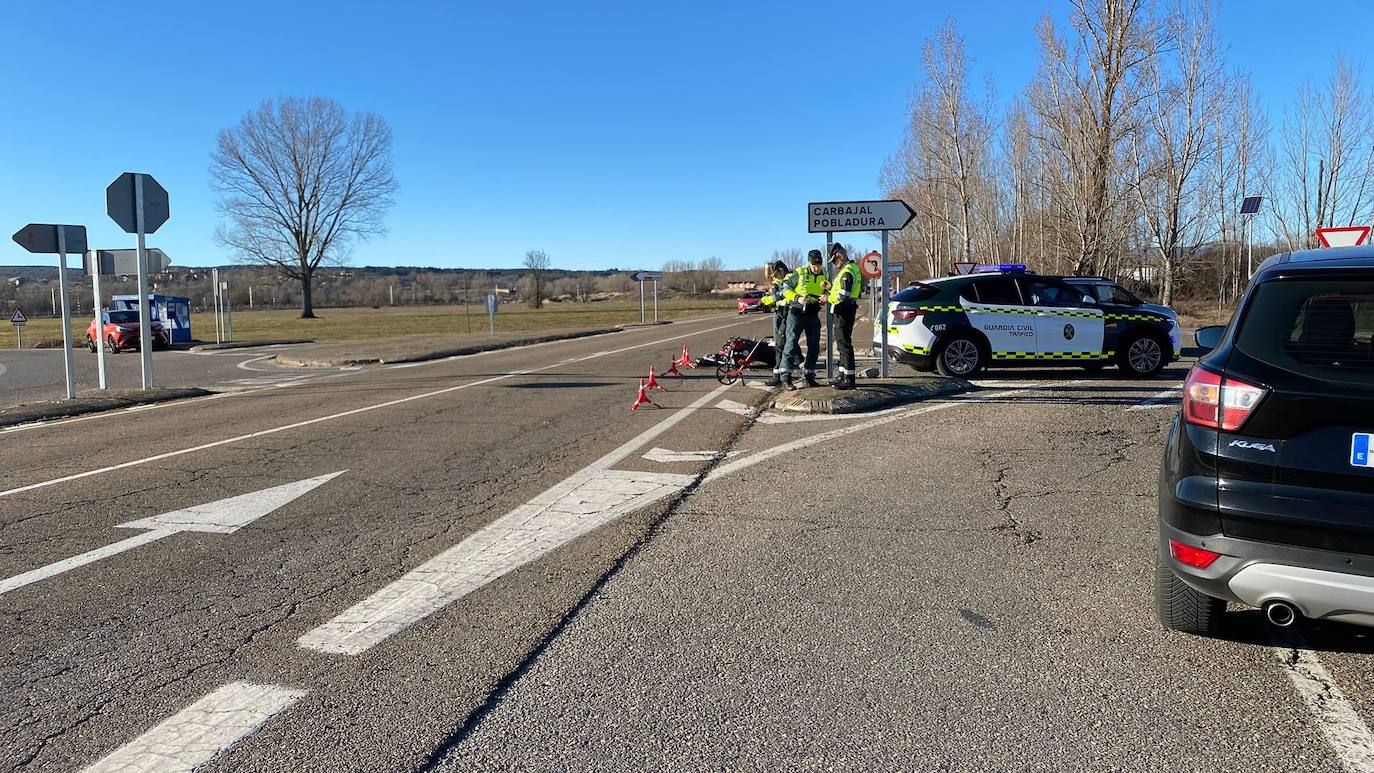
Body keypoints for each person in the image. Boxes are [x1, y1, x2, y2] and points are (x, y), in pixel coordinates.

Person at [779, 250, 828, 389]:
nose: (816, 268)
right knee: (791, 343)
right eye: (813, 266)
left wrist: (824, 298)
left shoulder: (825, 273)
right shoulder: (800, 273)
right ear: (809, 262)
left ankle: (808, 375)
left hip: (813, 314)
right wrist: (797, 298)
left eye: (818, 265)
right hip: (796, 313)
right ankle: (785, 378)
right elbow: (785, 289)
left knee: (814, 346)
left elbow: (827, 290)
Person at [827, 244, 863, 390]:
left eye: (834, 261)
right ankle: (842, 375)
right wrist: (829, 288)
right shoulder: (851, 268)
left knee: (844, 344)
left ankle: (849, 378)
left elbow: (843, 296)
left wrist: (827, 298)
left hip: (843, 310)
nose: (834, 264)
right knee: (842, 344)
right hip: (846, 309)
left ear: (839, 256)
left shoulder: (846, 272)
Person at [758, 260, 791, 387]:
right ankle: (804, 371)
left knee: (782, 346)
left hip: (784, 314)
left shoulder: (787, 281)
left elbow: (779, 297)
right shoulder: (779, 281)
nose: (774, 276)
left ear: (781, 271)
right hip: (781, 313)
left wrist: (765, 301)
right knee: (787, 345)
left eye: (776, 274)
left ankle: (780, 376)